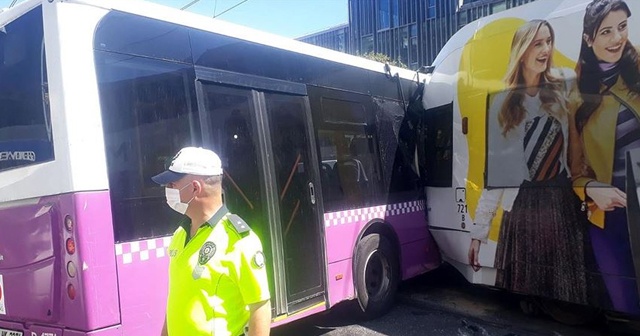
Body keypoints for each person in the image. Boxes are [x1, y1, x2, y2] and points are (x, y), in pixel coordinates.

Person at [468, 20, 596, 305]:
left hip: (561, 202)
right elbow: (497, 176)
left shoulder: (563, 85)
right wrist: (479, 234)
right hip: (523, 208)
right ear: (522, 51)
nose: (545, 49)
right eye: (537, 43)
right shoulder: (503, 104)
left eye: (548, 41)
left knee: (569, 291)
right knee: (527, 294)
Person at [152, 147, 271, 336]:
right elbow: (177, 299)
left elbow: (260, 307)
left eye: (172, 184)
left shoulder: (239, 241)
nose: (167, 191)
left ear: (194, 188)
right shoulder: (180, 235)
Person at [571, 0, 640, 314]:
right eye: (606, 31)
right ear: (588, 39)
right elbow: (572, 168)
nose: (617, 39)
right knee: (626, 305)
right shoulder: (574, 93)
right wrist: (590, 188)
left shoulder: (638, 69)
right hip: (607, 218)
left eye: (622, 27)